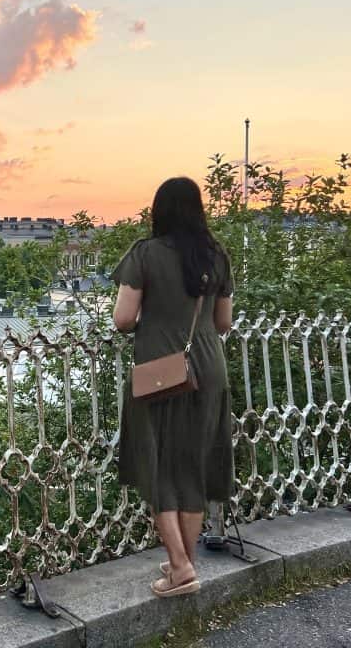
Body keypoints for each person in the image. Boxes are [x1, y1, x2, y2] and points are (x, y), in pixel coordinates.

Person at [112, 177, 234, 598]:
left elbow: (123, 319)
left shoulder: (144, 254)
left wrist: (157, 318)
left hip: (162, 371)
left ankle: (180, 566)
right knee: (192, 467)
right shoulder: (216, 255)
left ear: (158, 210)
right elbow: (223, 323)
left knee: (160, 466)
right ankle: (186, 564)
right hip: (208, 367)